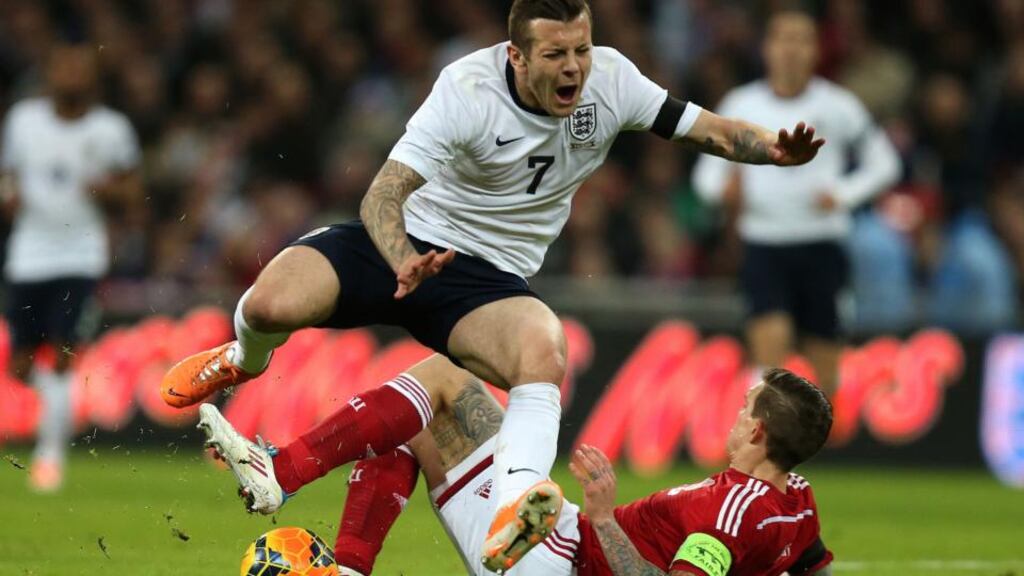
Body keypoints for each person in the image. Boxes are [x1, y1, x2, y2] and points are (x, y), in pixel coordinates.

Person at [164, 0, 824, 569]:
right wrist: (400, 258)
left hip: (485, 279)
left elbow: (706, 127)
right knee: (269, 302)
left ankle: (517, 504)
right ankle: (240, 360)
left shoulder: (613, 83)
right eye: (557, 53)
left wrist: (771, 149)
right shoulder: (468, 89)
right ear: (516, 54)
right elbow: (383, 194)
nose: (574, 67)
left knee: (542, 350)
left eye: (583, 50)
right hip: (399, 240)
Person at [199, 364, 834, 576]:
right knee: (416, 412)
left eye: (744, 408)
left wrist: (606, 517)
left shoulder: (731, 511)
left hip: (547, 555)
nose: (734, 413)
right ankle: (339, 559)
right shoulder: (794, 499)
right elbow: (812, 567)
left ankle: (282, 474)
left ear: (757, 431)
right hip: (553, 533)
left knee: (433, 388)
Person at [693, 10, 899, 397]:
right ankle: (768, 448)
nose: (790, 49)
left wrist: (843, 194)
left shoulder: (838, 105)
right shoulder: (742, 103)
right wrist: (724, 192)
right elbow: (705, 178)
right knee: (770, 353)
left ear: (816, 50)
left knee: (826, 369)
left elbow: (885, 163)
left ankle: (818, 444)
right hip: (765, 244)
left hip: (821, 243)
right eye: (782, 38)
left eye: (801, 39)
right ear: (767, 48)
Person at [0, 42, 142, 491]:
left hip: (80, 255)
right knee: (21, 365)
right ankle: (54, 417)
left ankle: (50, 458)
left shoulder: (111, 130)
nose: (71, 78)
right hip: (28, 255)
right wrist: (9, 197)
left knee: (62, 354)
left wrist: (107, 191)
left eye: (80, 70)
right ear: (49, 73)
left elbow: (132, 193)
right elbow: (9, 177)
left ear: (93, 78)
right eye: (63, 68)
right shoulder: (23, 122)